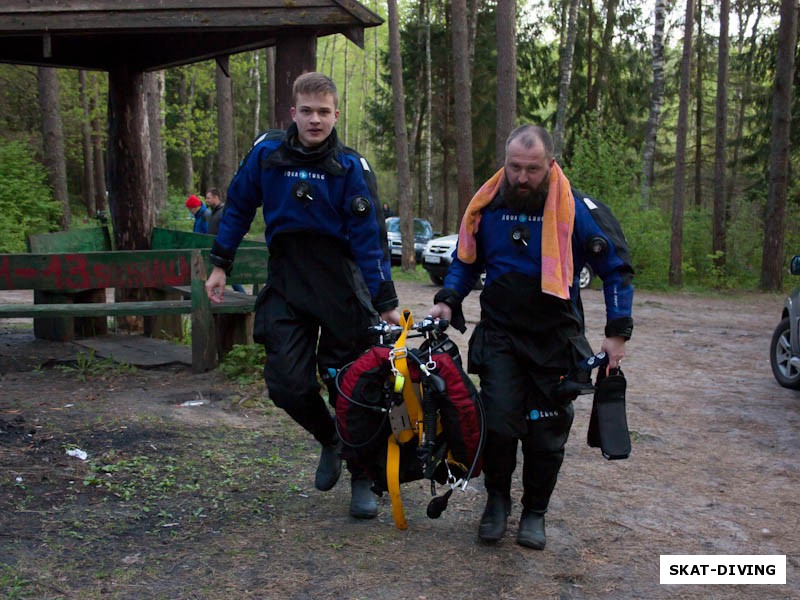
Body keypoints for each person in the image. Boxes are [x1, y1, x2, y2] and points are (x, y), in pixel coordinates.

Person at [428, 125, 634, 550]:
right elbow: (465, 262)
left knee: (547, 433)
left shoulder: (577, 210)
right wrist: (448, 299)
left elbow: (616, 269)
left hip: (555, 340)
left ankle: (535, 512)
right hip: (501, 336)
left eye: (532, 169)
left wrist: (618, 332)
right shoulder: (487, 206)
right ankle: (497, 504)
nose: (522, 178)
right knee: (499, 425)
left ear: (550, 164)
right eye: (515, 167)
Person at [205, 72, 400, 519]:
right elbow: (237, 207)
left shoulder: (352, 168)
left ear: (335, 115)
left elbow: (370, 241)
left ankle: (362, 478)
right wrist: (221, 266)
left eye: (324, 112)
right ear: (293, 113)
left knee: (351, 386)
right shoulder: (266, 155)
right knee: (285, 383)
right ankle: (330, 438)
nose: (315, 120)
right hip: (288, 277)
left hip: (339, 281)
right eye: (307, 111)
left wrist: (384, 302)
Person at [206, 187, 245, 293]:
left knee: (230, 276)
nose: (207, 200)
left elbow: (230, 229)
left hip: (222, 249)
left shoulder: (223, 212)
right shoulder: (213, 212)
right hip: (214, 248)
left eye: (208, 198)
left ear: (216, 197)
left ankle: (243, 295)